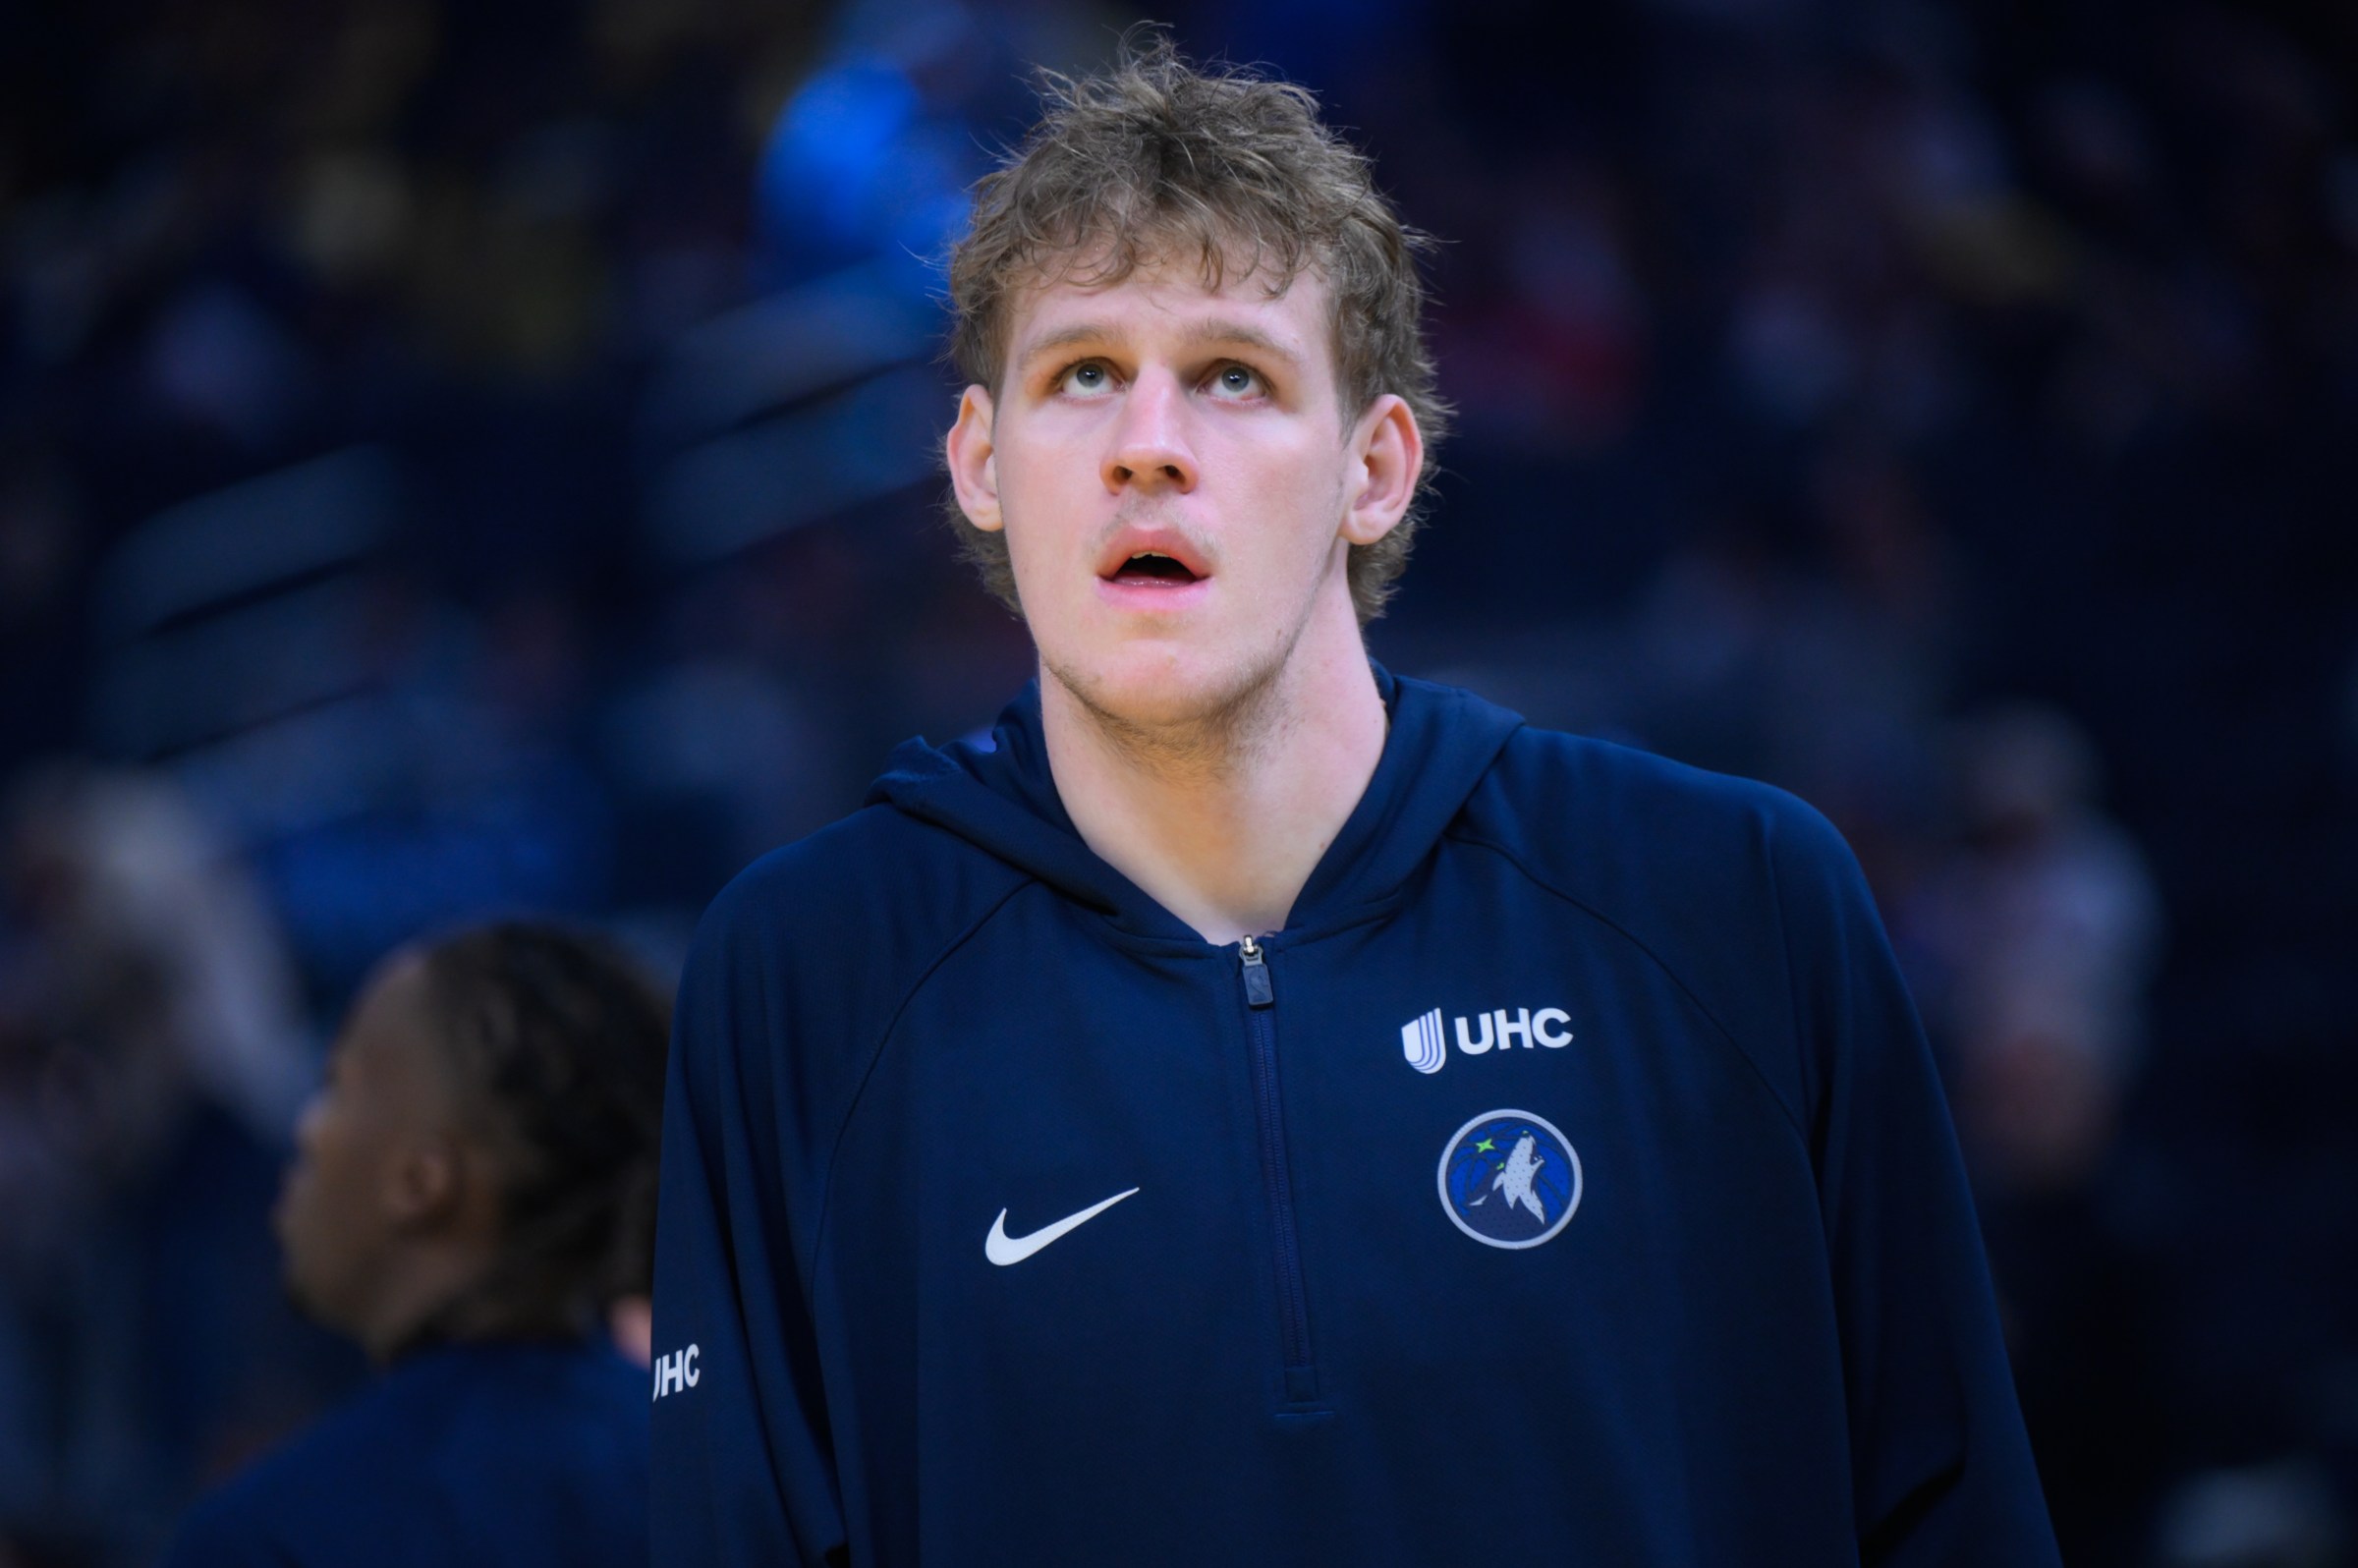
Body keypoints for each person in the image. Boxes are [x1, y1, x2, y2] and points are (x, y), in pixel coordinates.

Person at [650, 38, 2062, 1566]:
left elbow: (1950, 1514)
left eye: (1234, 377)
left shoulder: (1734, 903)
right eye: (1082, 378)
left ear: (1377, 467)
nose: (1148, 446)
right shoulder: (802, 976)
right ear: (983, 466)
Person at [161, 922, 669, 1568]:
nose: (308, 1133)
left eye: (337, 1087)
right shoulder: (725, 1486)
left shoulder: (273, 1541)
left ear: (420, 1183)